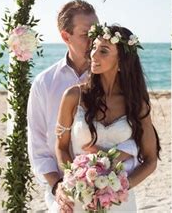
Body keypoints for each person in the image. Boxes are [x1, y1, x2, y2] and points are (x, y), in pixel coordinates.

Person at [27, 0, 138, 212]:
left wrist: (115, 162)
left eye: (97, 32)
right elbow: (38, 147)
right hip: (64, 195)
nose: (94, 40)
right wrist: (59, 187)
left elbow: (139, 139)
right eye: (86, 33)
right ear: (65, 36)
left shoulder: (113, 79)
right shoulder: (44, 84)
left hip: (111, 194)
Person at [55, 24, 161, 212]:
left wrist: (119, 187)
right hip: (79, 197)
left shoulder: (137, 104)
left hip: (119, 202)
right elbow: (61, 147)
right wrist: (74, 179)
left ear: (122, 61)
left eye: (103, 51)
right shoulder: (73, 96)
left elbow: (151, 160)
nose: (93, 55)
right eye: (93, 48)